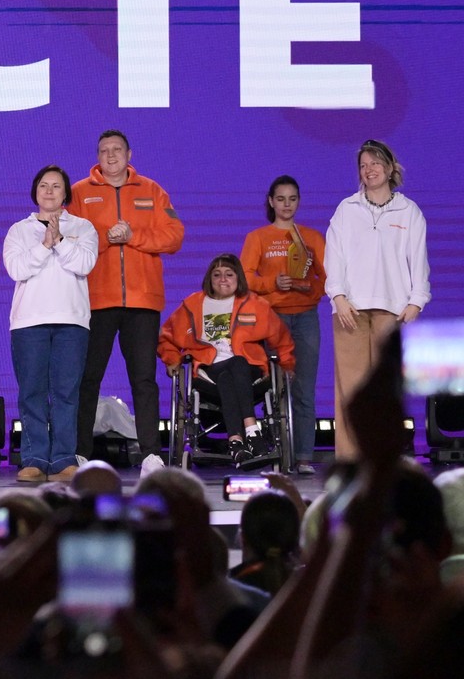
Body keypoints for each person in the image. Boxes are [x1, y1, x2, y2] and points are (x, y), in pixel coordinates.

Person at [67, 129, 184, 469]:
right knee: (88, 380)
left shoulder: (152, 190)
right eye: (104, 150)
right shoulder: (79, 192)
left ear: (129, 154)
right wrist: (106, 237)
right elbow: (70, 240)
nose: (111, 155)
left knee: (144, 380)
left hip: (142, 301)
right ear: (97, 157)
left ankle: (151, 454)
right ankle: (80, 452)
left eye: (117, 149)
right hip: (95, 300)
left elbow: (174, 236)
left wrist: (134, 236)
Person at [325, 138, 430, 460]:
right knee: (351, 390)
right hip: (350, 310)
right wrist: (338, 296)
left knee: (386, 391)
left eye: (375, 163)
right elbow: (334, 257)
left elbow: (418, 260)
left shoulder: (409, 211)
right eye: (363, 165)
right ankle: (350, 463)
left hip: (393, 310)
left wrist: (416, 301)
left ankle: (384, 462)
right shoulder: (347, 209)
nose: (369, 170)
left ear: (390, 168)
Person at [3, 165, 98, 484]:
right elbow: (16, 269)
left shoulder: (83, 227)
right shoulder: (19, 230)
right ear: (35, 191)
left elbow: (84, 264)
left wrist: (59, 240)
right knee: (32, 392)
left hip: (71, 321)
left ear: (65, 193)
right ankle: (34, 458)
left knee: (66, 393)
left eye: (56, 186)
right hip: (29, 322)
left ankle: (63, 459)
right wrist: (44, 244)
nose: (49, 191)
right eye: (43, 185)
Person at [157, 255, 296, 469]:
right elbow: (166, 337)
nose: (223, 279)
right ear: (209, 279)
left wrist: (286, 364)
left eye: (229, 274)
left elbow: (282, 338)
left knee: (234, 366)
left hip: (249, 369)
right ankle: (252, 432)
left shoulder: (255, 304)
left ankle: (236, 442)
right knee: (229, 370)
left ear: (238, 278)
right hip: (208, 369)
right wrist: (172, 359)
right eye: (217, 274)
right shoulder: (193, 304)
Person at [240, 176, 327, 475]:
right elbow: (245, 278)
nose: (287, 204)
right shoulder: (258, 237)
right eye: (281, 199)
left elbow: (329, 278)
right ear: (271, 201)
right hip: (272, 320)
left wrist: (308, 289)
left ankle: (303, 457)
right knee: (273, 391)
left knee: (304, 388)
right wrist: (272, 283)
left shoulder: (312, 238)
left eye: (292, 199)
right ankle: (276, 454)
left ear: (299, 201)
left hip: (306, 318)